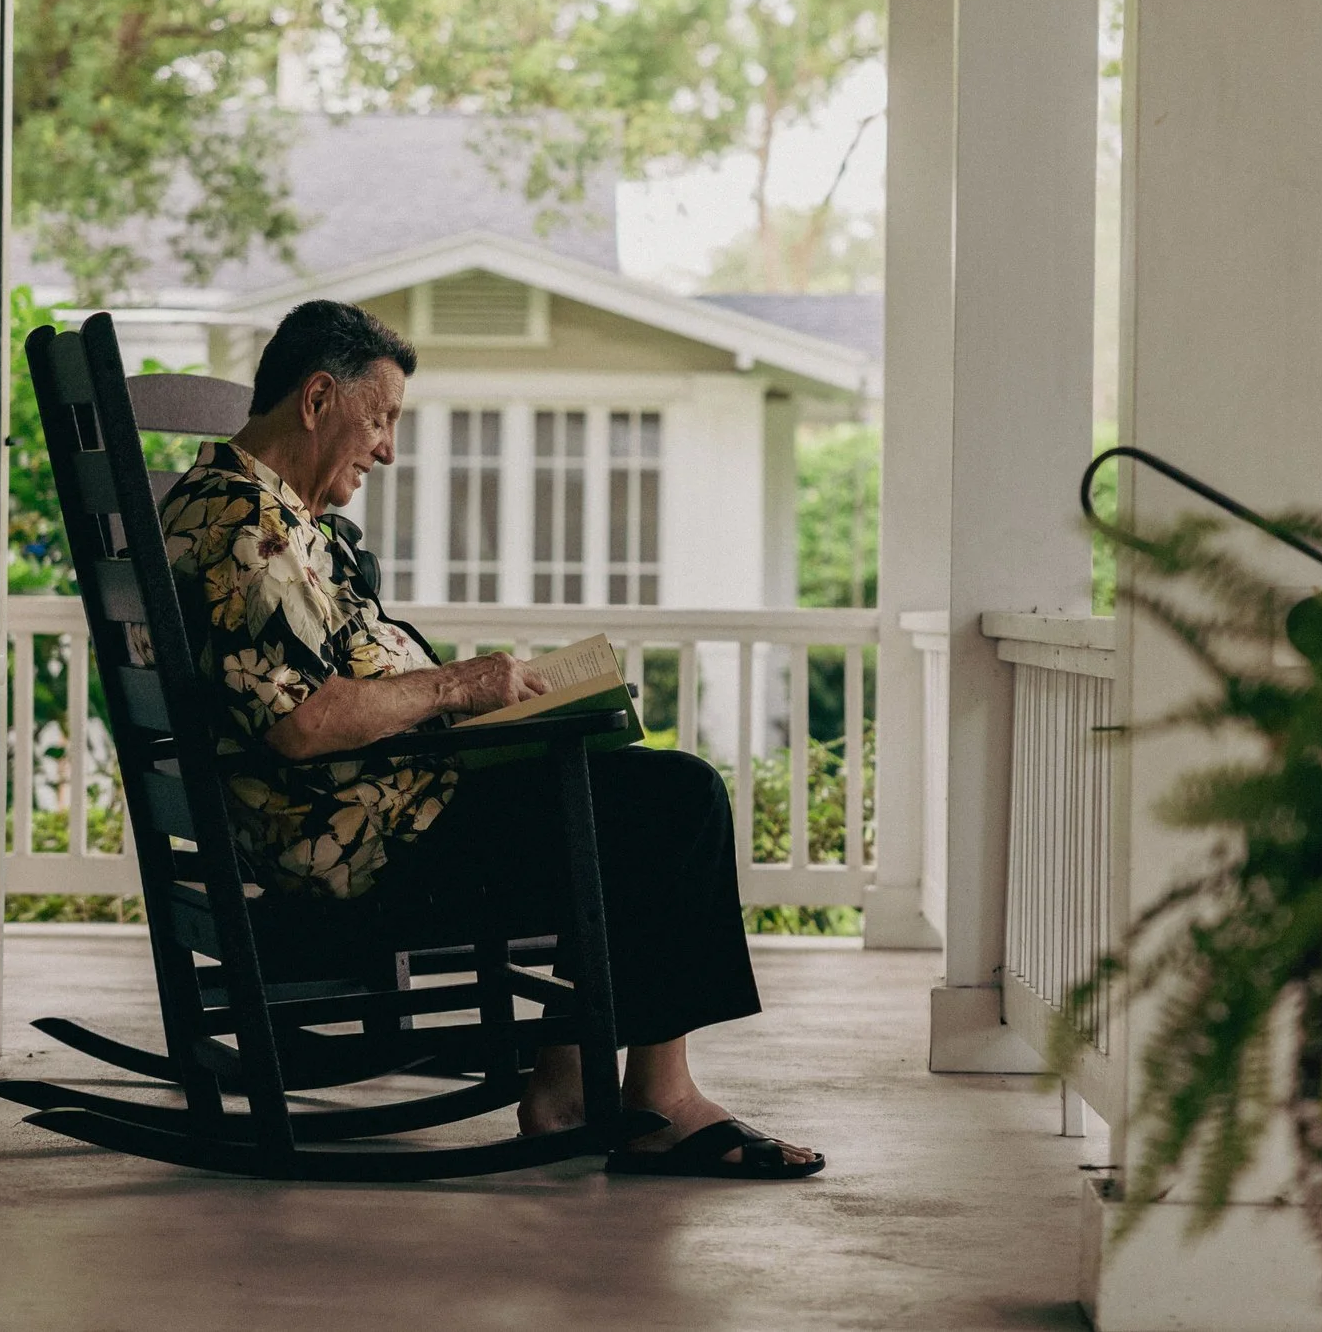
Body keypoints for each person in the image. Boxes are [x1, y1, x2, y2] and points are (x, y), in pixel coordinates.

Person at [154, 299, 823, 1179]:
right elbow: (303, 722)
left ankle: (569, 1082)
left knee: (622, 779)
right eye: (381, 416)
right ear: (318, 399)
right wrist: (462, 686)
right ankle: (652, 1100)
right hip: (363, 851)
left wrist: (477, 703)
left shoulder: (264, 516)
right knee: (675, 799)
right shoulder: (245, 528)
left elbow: (321, 690)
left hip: (381, 814)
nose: (388, 447)